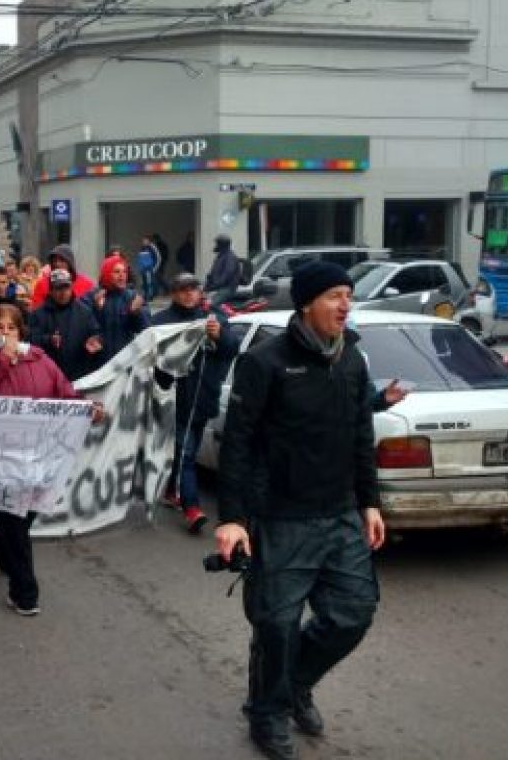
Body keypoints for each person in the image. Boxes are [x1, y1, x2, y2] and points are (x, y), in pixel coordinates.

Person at [216, 261, 385, 760]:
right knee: (277, 623)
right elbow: (237, 445)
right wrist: (232, 518)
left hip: (338, 514)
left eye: (348, 295)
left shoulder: (351, 361)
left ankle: (291, 686)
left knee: (354, 613)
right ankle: (267, 712)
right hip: (281, 517)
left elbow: (361, 436)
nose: (345, 304)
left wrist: (369, 502)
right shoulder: (265, 363)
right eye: (335, 295)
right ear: (307, 303)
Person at [0, 305, 102, 615]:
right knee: (17, 524)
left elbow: (64, 393)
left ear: (21, 331)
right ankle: (24, 593)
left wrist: (86, 409)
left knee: (22, 518)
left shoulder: (40, 359)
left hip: (36, 458)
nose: (5, 333)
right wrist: (1, 362)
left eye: (11, 327)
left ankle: (2, 545)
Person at [151, 273, 240, 533]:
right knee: (187, 452)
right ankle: (191, 508)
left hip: (203, 400)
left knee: (184, 450)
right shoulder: (161, 322)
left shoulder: (213, 317)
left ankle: (171, 489)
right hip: (173, 401)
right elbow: (147, 355)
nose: (189, 294)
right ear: (174, 294)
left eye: (193, 289)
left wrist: (219, 335)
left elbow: (231, 348)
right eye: (182, 290)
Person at [28, 269, 102, 381]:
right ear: (51, 290)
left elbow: (96, 333)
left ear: (71, 287)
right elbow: (30, 340)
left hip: (78, 377)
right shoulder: (38, 314)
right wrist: (48, 340)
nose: (63, 293)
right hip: (48, 377)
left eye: (66, 287)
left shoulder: (84, 312)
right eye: (58, 288)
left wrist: (95, 342)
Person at [87, 256, 150, 367]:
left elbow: (145, 329)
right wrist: (97, 310)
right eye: (116, 272)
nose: (122, 275)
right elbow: (85, 327)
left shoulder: (132, 296)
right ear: (107, 273)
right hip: (99, 363)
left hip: (126, 362)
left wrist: (137, 313)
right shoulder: (94, 295)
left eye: (124, 272)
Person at [29, 244, 95, 310]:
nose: (57, 264)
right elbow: (36, 310)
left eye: (62, 260)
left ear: (70, 263)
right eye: (55, 261)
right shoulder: (42, 284)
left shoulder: (87, 284)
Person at [204, 234, 241, 306]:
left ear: (222, 245)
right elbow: (212, 273)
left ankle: (218, 317)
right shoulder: (220, 256)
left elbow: (227, 274)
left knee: (211, 304)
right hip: (217, 288)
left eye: (217, 243)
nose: (216, 245)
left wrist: (215, 285)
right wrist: (206, 287)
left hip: (226, 288)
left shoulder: (230, 257)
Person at [136, 234, 162, 300]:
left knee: (150, 283)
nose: (144, 242)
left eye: (145, 240)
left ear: (149, 241)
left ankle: (150, 296)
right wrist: (140, 267)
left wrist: (154, 268)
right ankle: (145, 295)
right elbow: (140, 258)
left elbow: (158, 258)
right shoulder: (142, 248)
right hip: (143, 269)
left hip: (150, 269)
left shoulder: (152, 247)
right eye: (143, 240)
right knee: (144, 283)